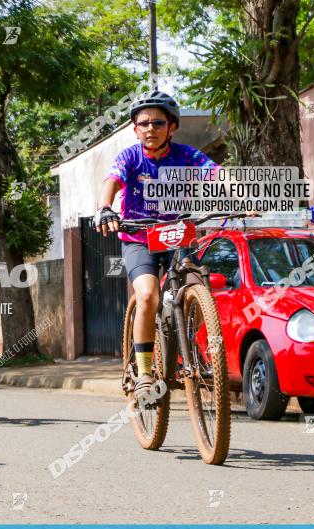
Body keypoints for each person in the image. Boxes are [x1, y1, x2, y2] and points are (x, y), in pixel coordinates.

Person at [94, 90, 218, 398]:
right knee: (147, 295)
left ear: (172, 127)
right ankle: (145, 372)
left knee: (199, 287)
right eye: (143, 123)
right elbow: (111, 181)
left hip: (178, 233)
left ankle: (187, 340)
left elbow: (217, 174)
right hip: (139, 237)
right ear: (135, 129)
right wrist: (105, 207)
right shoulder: (129, 157)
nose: (151, 129)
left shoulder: (187, 155)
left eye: (158, 123)